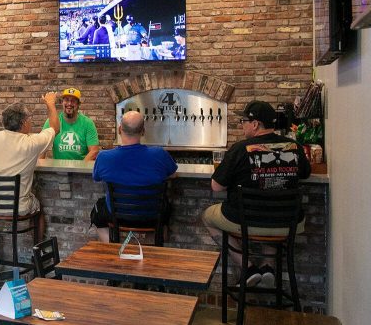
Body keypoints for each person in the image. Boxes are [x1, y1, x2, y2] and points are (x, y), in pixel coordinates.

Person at [202, 100, 311, 287]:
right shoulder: (294, 147)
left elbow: (217, 186)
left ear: (255, 124)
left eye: (243, 121)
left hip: (245, 220)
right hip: (288, 222)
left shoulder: (239, 149)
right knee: (271, 210)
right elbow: (306, 173)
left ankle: (248, 268)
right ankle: (268, 267)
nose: (242, 125)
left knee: (207, 217)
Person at [0, 93, 59, 264]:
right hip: (18, 208)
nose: (31, 122)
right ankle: (38, 251)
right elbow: (55, 128)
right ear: (23, 123)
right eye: (29, 119)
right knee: (38, 211)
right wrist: (50, 103)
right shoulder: (32, 143)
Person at [91, 110, 178, 243]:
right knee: (165, 210)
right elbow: (173, 174)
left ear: (119, 129)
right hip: (152, 216)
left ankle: (113, 251)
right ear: (143, 131)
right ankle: (151, 249)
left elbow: (96, 177)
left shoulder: (104, 157)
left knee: (97, 214)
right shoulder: (159, 154)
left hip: (116, 216)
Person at [44, 87, 100, 161]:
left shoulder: (88, 123)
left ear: (78, 104)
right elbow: (42, 147)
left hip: (81, 167)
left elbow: (94, 151)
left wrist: (80, 166)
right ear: (62, 102)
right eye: (66, 100)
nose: (69, 103)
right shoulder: (52, 122)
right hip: (58, 167)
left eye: (73, 101)